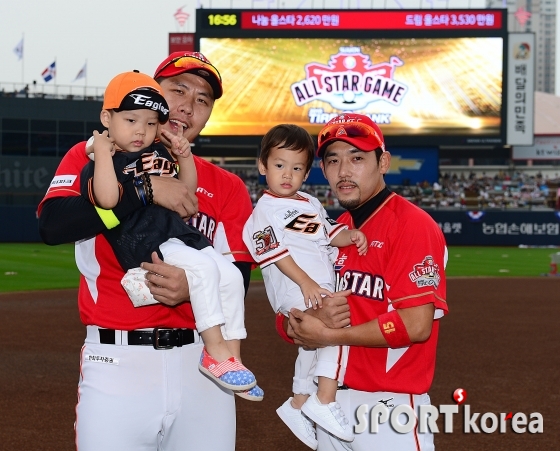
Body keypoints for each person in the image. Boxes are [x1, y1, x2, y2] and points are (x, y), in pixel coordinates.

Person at [37, 51, 257, 451]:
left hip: (202, 365)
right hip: (118, 360)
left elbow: (238, 275)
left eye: (203, 100)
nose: (188, 106)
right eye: (178, 90)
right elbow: (53, 226)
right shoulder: (94, 156)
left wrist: (190, 287)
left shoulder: (227, 186)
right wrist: (144, 192)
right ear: (153, 95)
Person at [279, 113, 448, 451]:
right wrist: (298, 324)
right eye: (333, 160)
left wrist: (329, 335)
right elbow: (294, 312)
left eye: (357, 158)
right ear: (322, 170)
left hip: (389, 409)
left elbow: (416, 325)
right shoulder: (331, 230)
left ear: (382, 162)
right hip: (327, 403)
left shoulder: (412, 225)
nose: (344, 171)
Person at [81, 70, 257, 393]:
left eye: (149, 123)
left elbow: (186, 197)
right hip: (145, 242)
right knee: (204, 268)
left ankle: (231, 358)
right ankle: (215, 352)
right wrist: (127, 173)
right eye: (178, 91)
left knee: (229, 277)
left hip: (174, 232)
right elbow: (103, 200)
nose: (141, 130)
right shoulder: (102, 156)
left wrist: (183, 155)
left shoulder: (160, 154)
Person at [242, 124, 368, 449]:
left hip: (317, 286)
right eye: (279, 165)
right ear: (263, 166)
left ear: (307, 172)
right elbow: (273, 253)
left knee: (312, 344)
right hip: (295, 288)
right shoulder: (263, 211)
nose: (287, 174)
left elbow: (329, 233)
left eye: (297, 168)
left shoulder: (310, 203)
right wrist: (305, 281)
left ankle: (299, 401)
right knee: (338, 329)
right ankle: (323, 400)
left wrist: (350, 236)